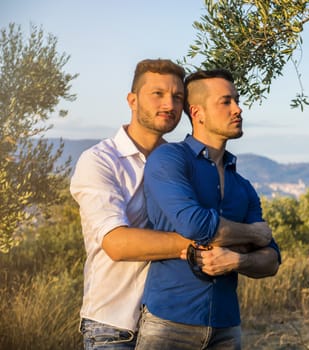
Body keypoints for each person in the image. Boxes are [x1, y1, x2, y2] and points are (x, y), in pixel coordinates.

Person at [70, 60, 272, 350]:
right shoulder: (100, 161)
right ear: (132, 100)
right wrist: (216, 243)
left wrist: (232, 248)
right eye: (158, 94)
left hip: (173, 318)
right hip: (116, 324)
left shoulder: (180, 161)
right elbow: (116, 243)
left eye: (178, 97)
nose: (169, 104)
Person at [135, 69, 281, 350]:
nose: (238, 109)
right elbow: (195, 225)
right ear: (197, 112)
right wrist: (252, 233)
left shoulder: (242, 185)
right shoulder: (170, 158)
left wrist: (237, 262)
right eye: (226, 101)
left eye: (237, 100)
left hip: (227, 328)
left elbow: (271, 259)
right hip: (169, 325)